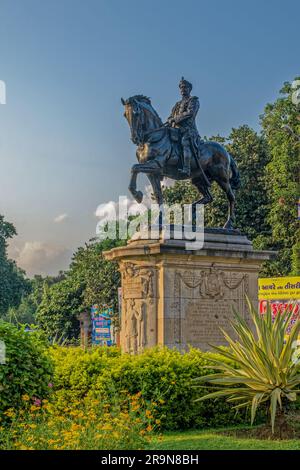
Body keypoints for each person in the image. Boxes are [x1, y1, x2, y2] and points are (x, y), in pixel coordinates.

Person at [167, 77, 200, 177]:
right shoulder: (177, 104)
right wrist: (169, 120)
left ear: (189, 89)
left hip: (189, 130)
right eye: (181, 88)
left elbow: (190, 113)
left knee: (185, 143)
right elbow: (171, 116)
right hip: (176, 130)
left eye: (185, 87)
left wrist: (175, 119)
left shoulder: (193, 100)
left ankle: (187, 168)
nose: (182, 89)